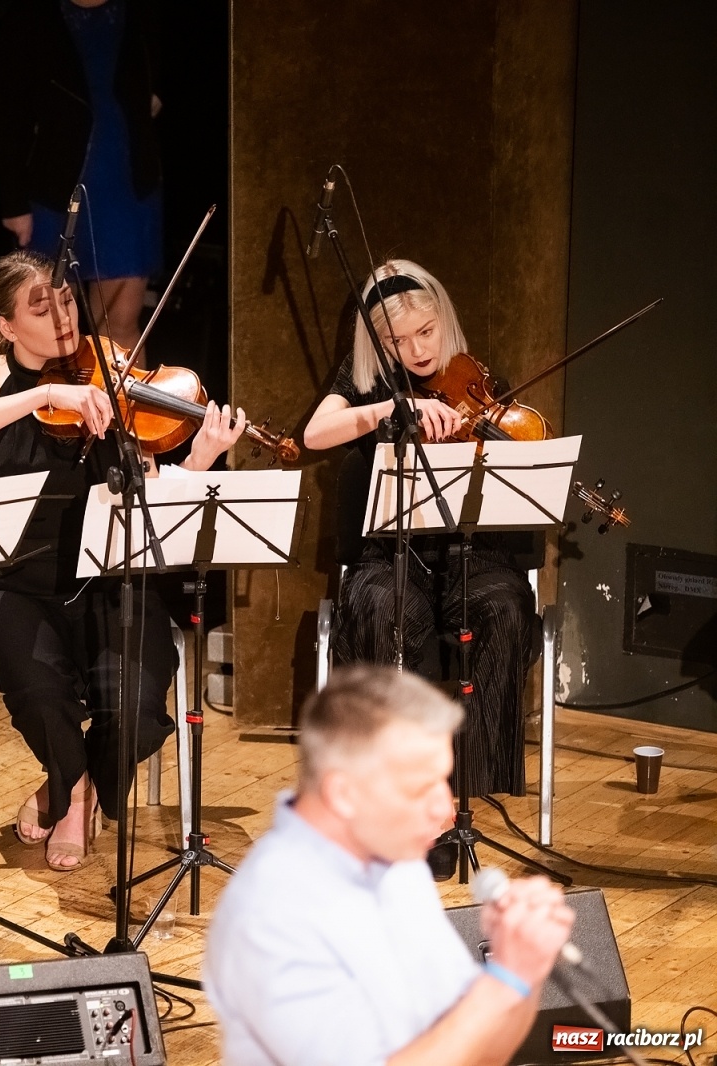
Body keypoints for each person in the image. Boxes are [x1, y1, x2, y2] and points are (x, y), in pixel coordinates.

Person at [0, 249, 243, 870]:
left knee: (135, 703)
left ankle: (69, 785)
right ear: (7, 325)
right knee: (42, 692)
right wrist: (45, 392)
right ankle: (76, 797)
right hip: (12, 586)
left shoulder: (108, 372)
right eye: (40, 307)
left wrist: (202, 456)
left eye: (68, 298)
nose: (63, 315)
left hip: (108, 580)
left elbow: (151, 488)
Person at [204, 665, 575, 1066]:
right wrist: (506, 980)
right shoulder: (271, 915)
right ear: (343, 794)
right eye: (420, 788)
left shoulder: (399, 863)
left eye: (445, 783)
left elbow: (475, 1048)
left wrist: (525, 966)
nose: (445, 812)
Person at [304, 260, 540, 876]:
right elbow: (314, 433)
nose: (414, 351)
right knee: (388, 608)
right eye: (395, 341)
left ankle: (461, 791)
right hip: (390, 552)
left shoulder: (478, 380)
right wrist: (383, 412)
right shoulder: (364, 384)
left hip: (470, 549)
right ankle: (413, 803)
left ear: (445, 323)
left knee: (504, 607)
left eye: (425, 333)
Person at [0, 0, 165, 353]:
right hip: (52, 185)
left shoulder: (141, 13)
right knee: (51, 327)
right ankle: (57, 407)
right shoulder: (29, 18)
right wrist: (13, 202)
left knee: (121, 322)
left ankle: (123, 409)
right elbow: (5, 115)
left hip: (124, 182)